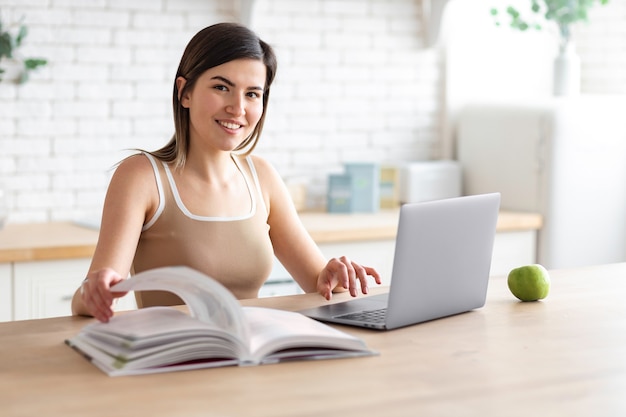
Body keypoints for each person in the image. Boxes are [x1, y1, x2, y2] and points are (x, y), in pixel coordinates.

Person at [71, 22, 381, 323]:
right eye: (222, 87)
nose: (238, 107)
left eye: (252, 94)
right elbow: (86, 298)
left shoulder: (262, 176)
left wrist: (337, 274)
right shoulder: (141, 176)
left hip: (249, 358)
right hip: (172, 364)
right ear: (185, 92)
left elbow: (318, 282)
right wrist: (94, 290)